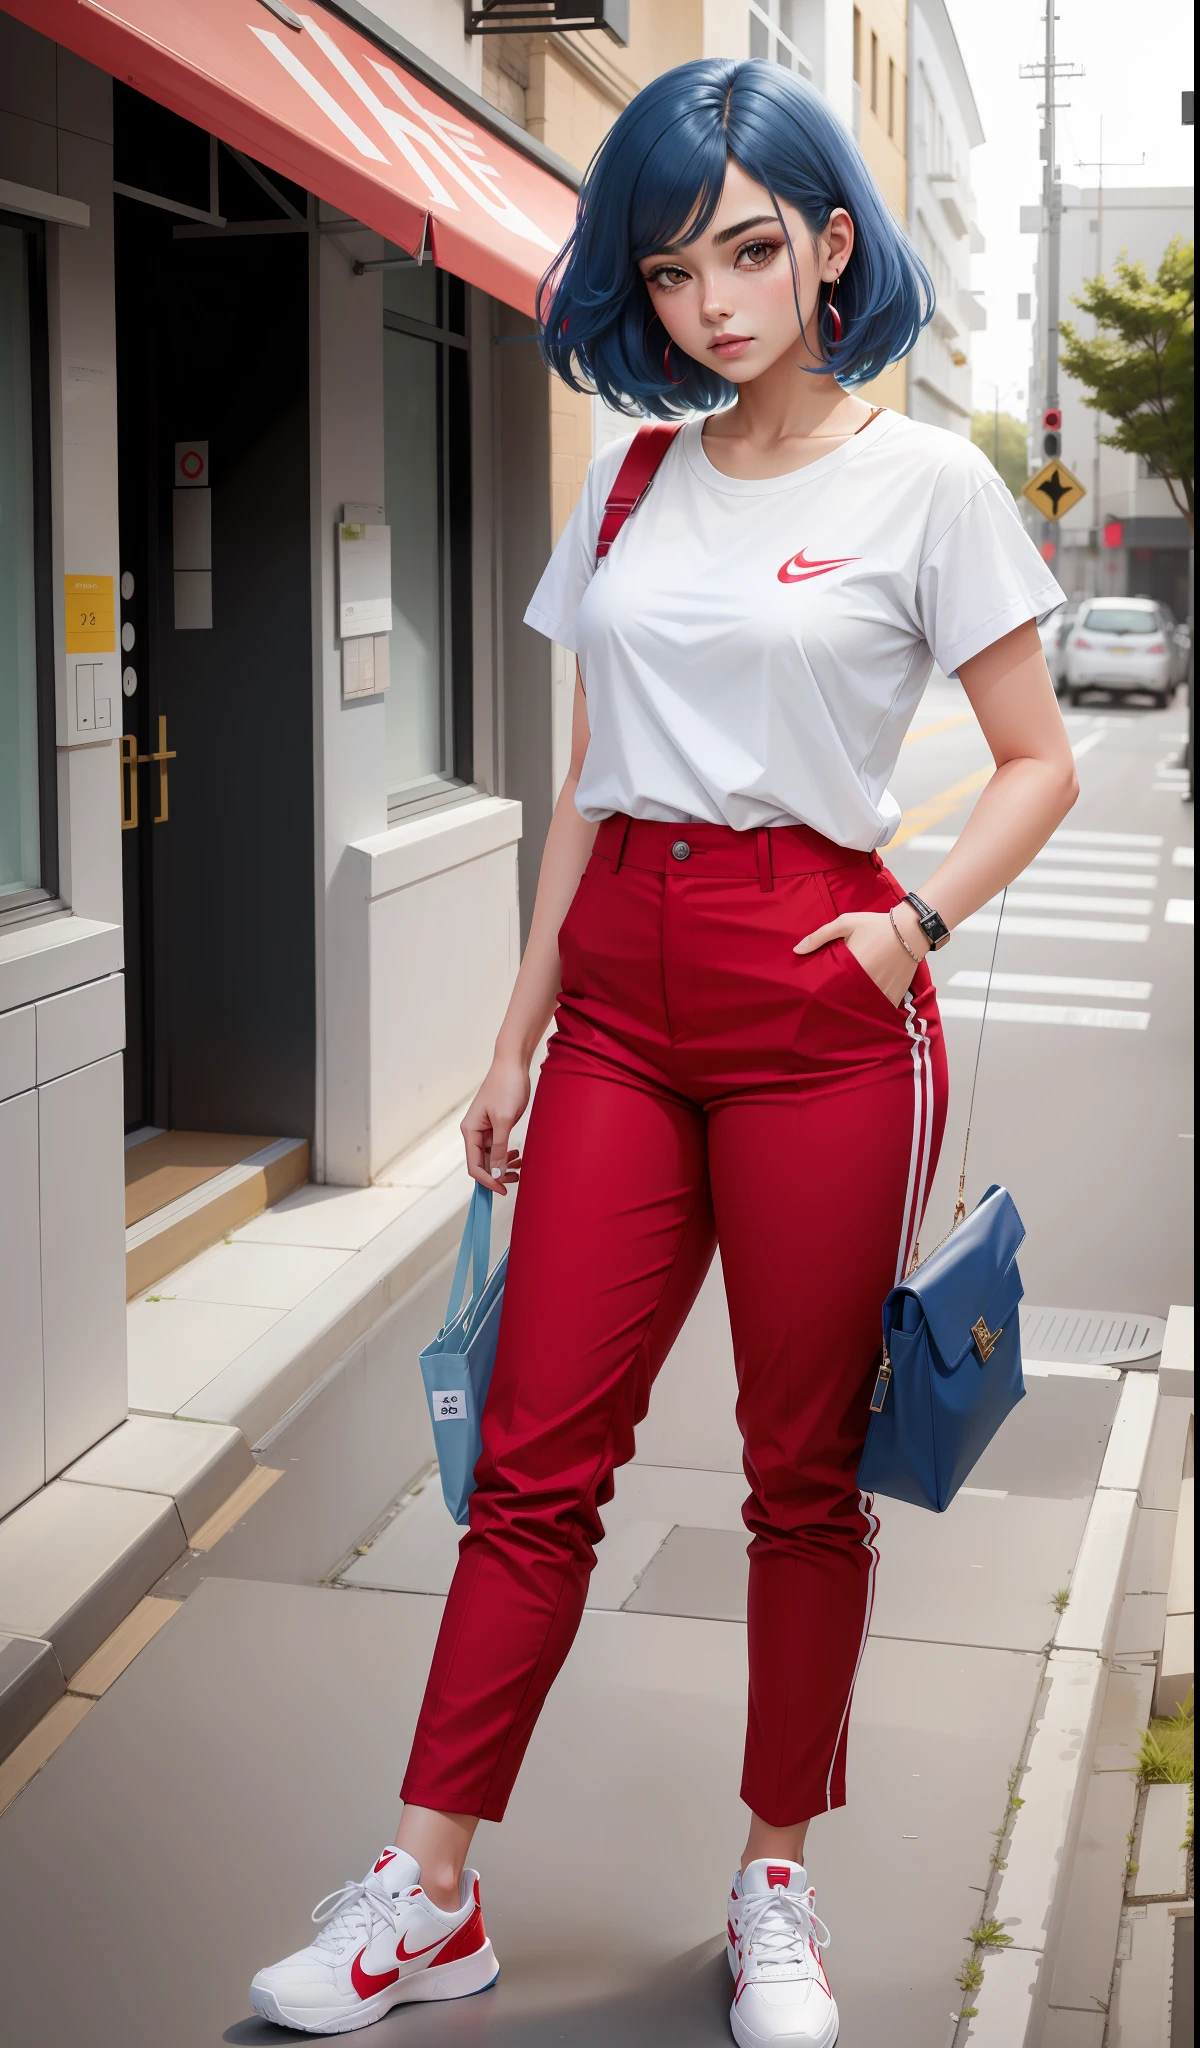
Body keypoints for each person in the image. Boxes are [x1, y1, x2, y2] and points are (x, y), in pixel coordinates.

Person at [249, 57, 1076, 2047]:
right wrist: (513, 1035)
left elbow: (1041, 759)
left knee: (804, 1476)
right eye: (672, 265)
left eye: (748, 250)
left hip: (817, 994)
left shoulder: (928, 486)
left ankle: (772, 1883)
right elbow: (585, 785)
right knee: (534, 1458)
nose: (711, 301)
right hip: (621, 994)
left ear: (829, 248)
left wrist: (911, 926)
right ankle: (426, 1893)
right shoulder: (631, 473)